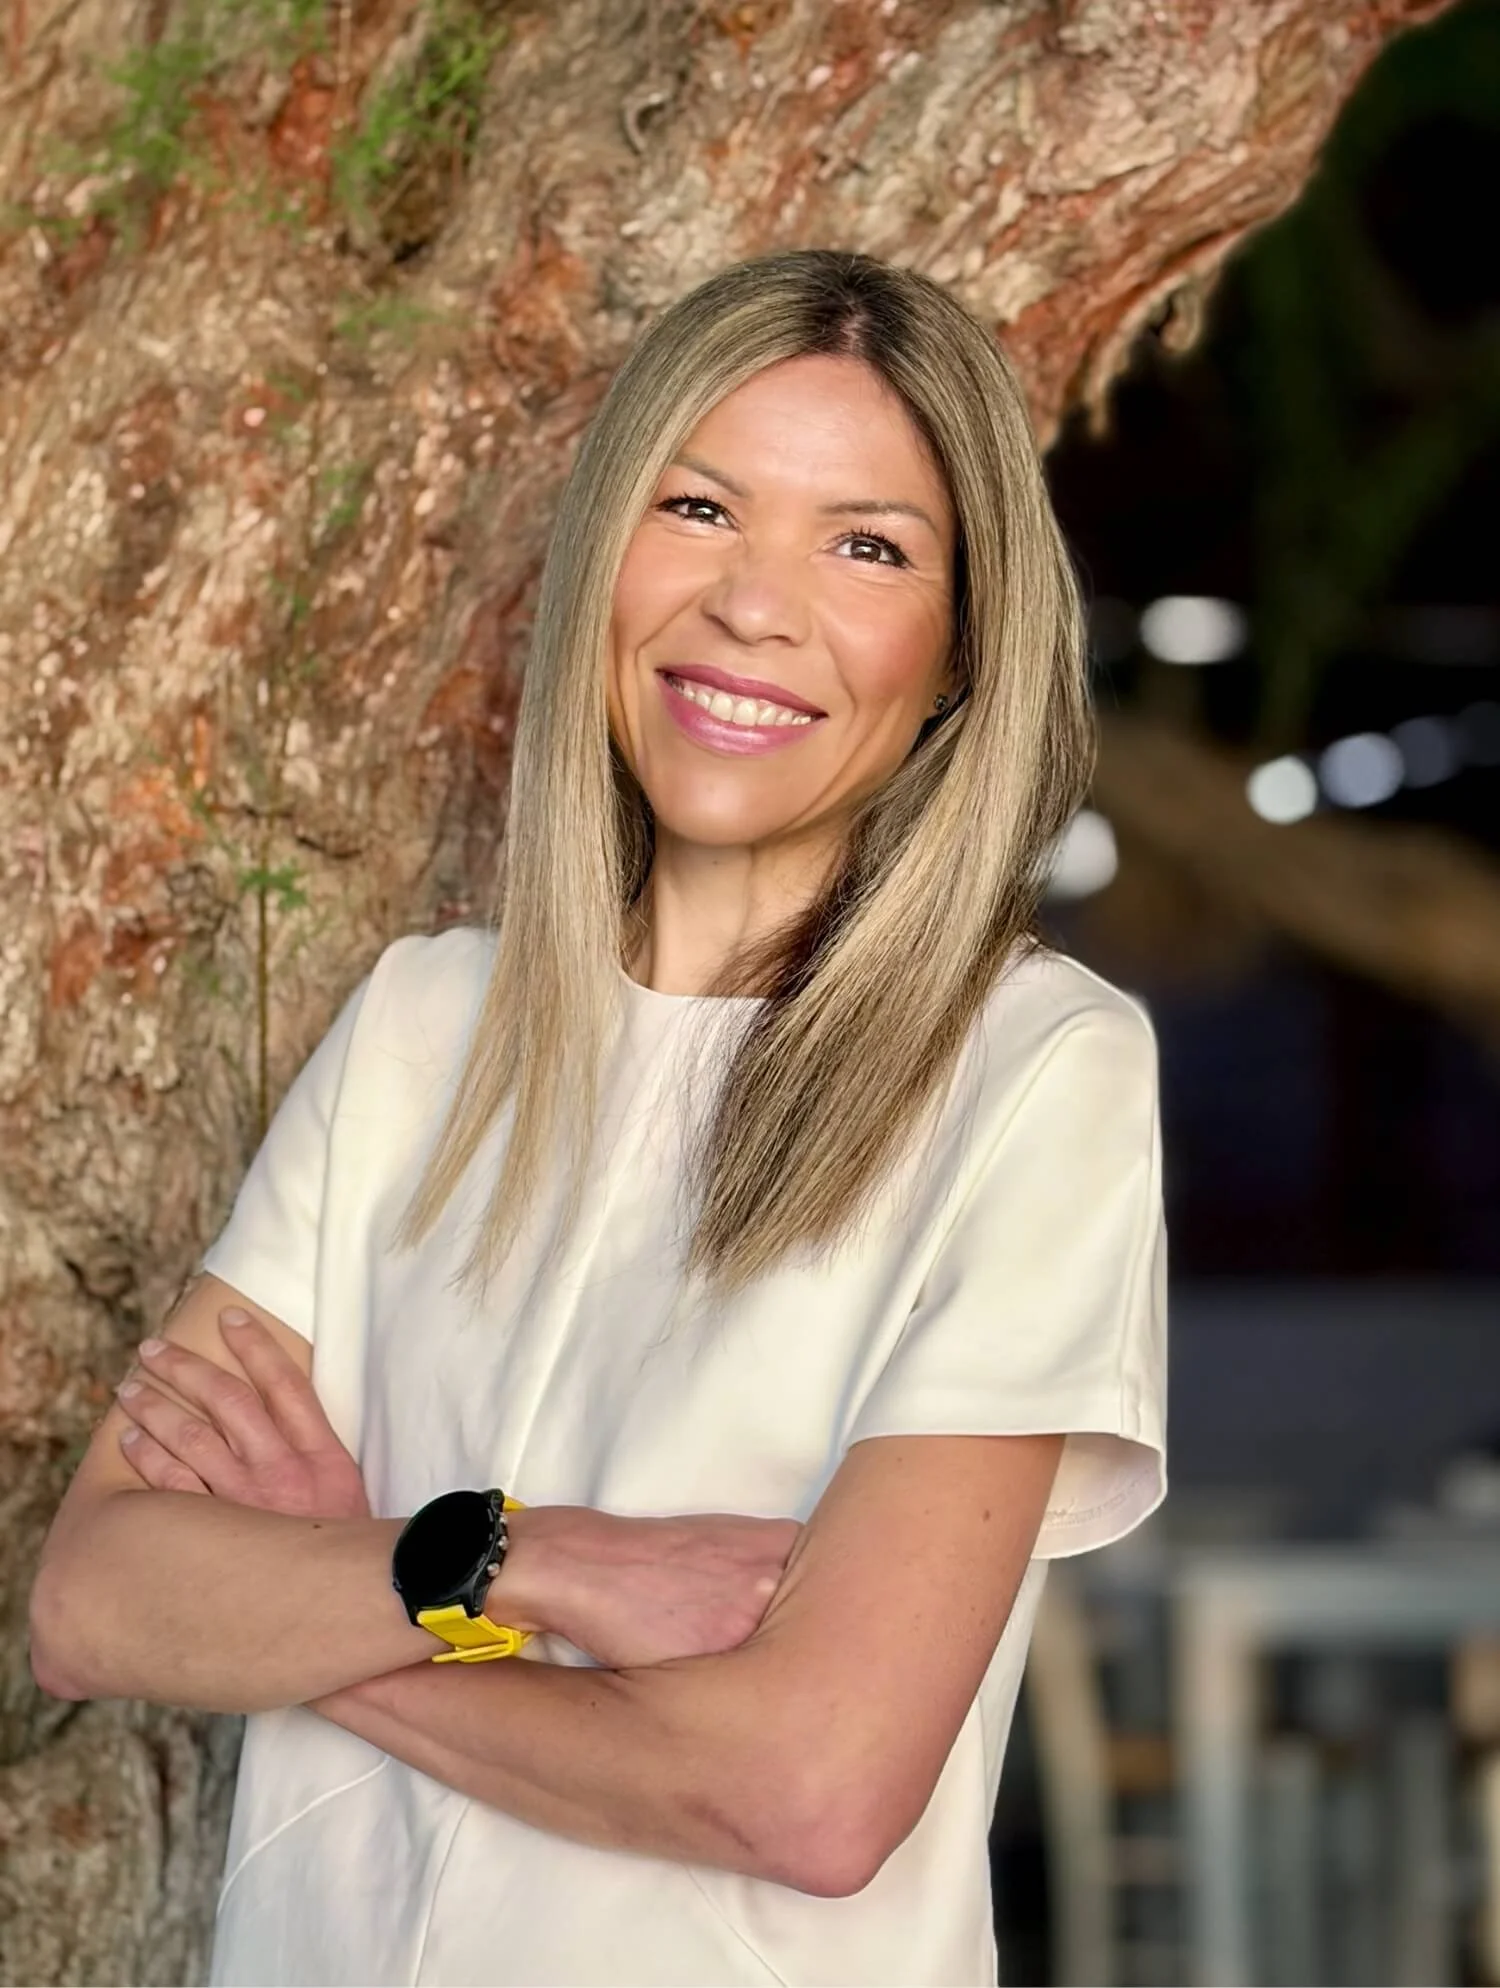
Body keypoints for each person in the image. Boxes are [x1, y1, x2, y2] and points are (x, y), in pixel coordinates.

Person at [29, 247, 1167, 1987]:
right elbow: (101, 1601)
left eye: (866, 545)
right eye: (701, 506)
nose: (754, 605)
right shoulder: (425, 1025)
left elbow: (806, 1790)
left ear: (959, 654)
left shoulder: (1034, 1071)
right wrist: (536, 1563)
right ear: (604, 561)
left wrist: (343, 1588)